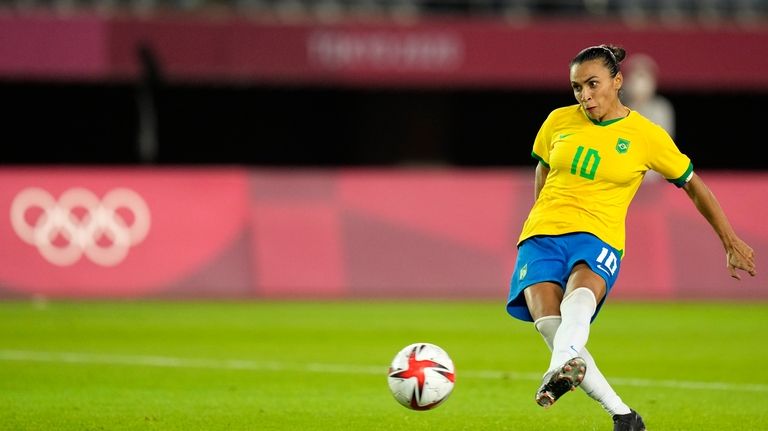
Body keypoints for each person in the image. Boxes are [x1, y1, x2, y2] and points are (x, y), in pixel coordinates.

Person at [505, 44, 756, 431]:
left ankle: (563, 365)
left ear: (617, 81)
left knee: (579, 303)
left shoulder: (646, 135)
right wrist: (540, 216)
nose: (585, 96)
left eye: (593, 84)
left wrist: (729, 239)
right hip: (542, 234)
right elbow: (544, 168)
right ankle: (623, 415)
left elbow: (693, 185)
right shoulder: (557, 121)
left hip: (599, 235)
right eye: (576, 88)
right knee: (549, 324)